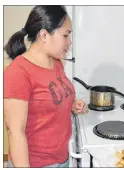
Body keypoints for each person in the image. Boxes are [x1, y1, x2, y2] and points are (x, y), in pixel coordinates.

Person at [3, 5, 88, 168]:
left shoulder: (56, 63)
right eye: (66, 35)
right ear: (44, 35)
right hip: (37, 164)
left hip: (62, 158)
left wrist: (72, 105)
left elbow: (49, 102)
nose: (69, 42)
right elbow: (15, 132)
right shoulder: (18, 72)